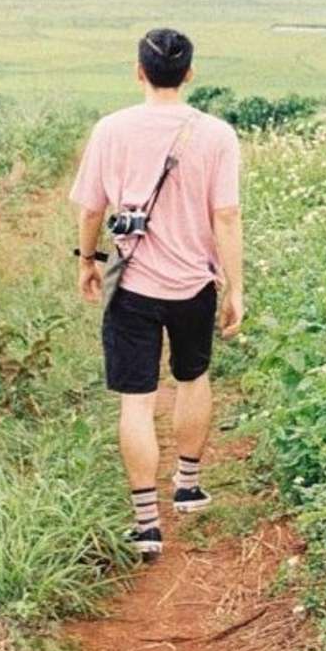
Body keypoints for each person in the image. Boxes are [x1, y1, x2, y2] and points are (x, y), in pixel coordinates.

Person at [70, 27, 244, 558]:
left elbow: (91, 209)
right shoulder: (216, 134)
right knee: (193, 379)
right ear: (189, 73)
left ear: (138, 71)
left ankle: (147, 524)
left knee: (136, 402)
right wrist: (236, 287)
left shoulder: (111, 129)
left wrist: (87, 261)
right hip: (194, 283)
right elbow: (227, 216)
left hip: (134, 285)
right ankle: (187, 487)